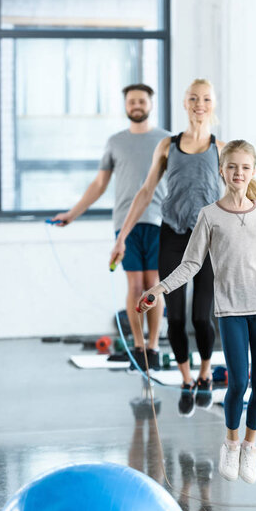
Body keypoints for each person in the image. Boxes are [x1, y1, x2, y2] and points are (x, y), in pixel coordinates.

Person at [136, 139, 256, 484]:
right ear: (221, 170)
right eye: (232, 167)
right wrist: (159, 288)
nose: (238, 173)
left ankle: (249, 447)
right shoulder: (209, 216)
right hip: (230, 311)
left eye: (245, 167)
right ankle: (230, 443)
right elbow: (191, 264)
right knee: (238, 381)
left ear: (252, 171)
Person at [110, 79, 225, 416]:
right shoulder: (167, 146)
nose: (199, 104)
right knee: (174, 317)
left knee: (201, 317)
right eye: (193, 98)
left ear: (212, 104)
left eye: (206, 98)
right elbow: (145, 192)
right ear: (185, 104)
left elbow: (243, 187)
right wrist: (121, 237)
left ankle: (205, 375)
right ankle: (187, 380)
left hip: (207, 238)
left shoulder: (222, 148)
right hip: (172, 235)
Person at [52, 84, 170, 369]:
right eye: (131, 101)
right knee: (134, 285)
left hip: (159, 221)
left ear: (150, 104)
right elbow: (99, 184)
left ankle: (153, 347)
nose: (137, 105)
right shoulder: (115, 142)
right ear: (126, 106)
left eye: (141, 100)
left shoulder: (166, 140)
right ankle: (138, 347)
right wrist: (72, 213)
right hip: (125, 224)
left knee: (153, 284)